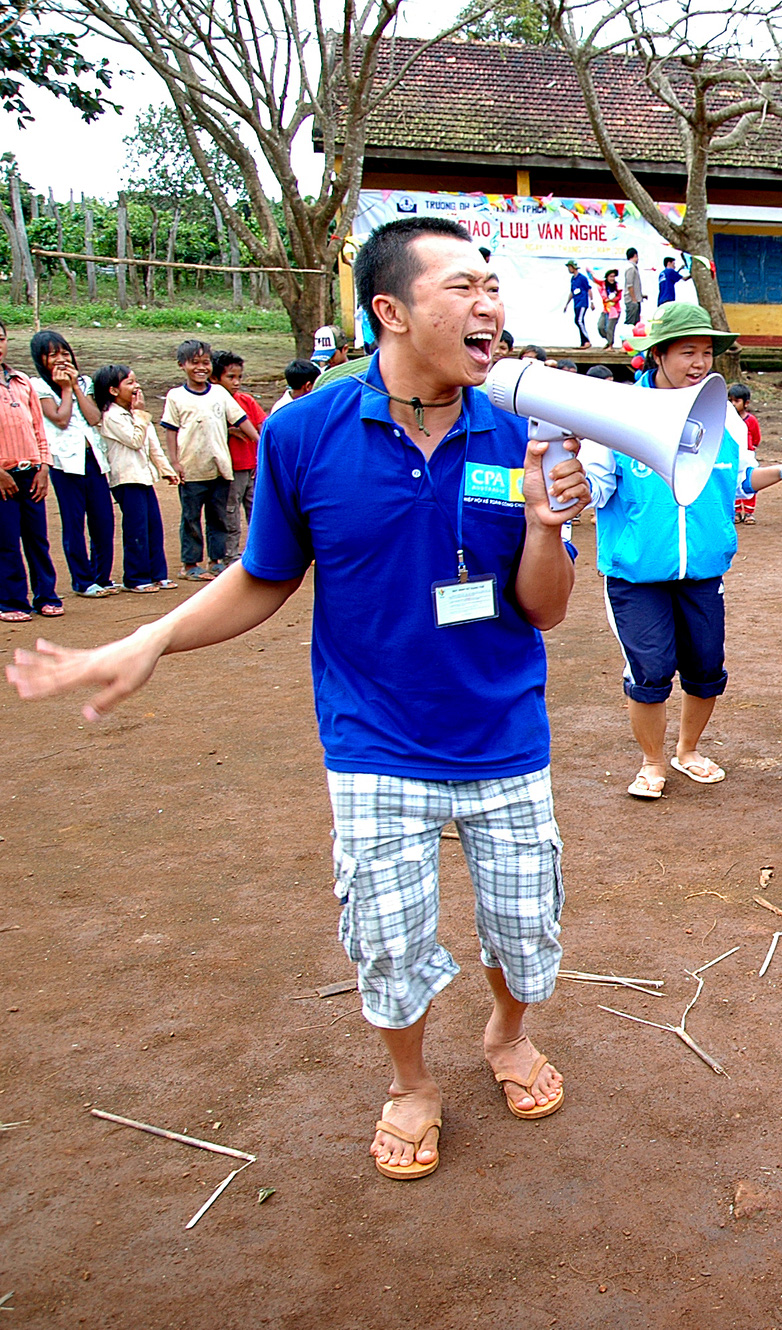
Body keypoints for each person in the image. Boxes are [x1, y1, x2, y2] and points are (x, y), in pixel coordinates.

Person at [9, 215, 598, 1181]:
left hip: (504, 737)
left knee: (526, 925)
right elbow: (265, 575)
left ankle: (505, 1035)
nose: (489, 302)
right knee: (387, 936)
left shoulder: (521, 426)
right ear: (391, 311)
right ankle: (410, 1082)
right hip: (372, 743)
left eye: (492, 284)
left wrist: (543, 524)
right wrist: (151, 637)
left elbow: (545, 612)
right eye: (462, 285)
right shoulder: (301, 431)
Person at [583, 301, 782, 801]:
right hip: (637, 574)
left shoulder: (721, 412)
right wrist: (568, 482)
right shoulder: (618, 413)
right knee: (651, 671)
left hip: (703, 570)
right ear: (657, 355)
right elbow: (595, 488)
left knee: (706, 669)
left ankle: (688, 751)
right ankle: (652, 762)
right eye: (688, 352)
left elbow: (742, 475)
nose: (700, 363)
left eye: (707, 352)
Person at [158, 339, 251, 582]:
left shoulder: (219, 393)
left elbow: (241, 419)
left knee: (218, 515)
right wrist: (175, 462)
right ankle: (190, 563)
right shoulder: (176, 396)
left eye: (206, 363)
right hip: (191, 469)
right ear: (182, 365)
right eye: (195, 363)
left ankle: (217, 560)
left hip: (219, 467)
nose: (201, 368)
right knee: (190, 517)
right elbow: (171, 430)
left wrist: (261, 441)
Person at [32, 331, 116, 598]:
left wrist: (77, 386)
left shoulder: (85, 381)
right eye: (53, 354)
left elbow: (93, 418)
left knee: (103, 519)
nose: (61, 359)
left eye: (64, 353)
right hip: (65, 463)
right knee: (74, 522)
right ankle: (82, 581)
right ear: (40, 359)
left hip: (93, 460)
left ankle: (102, 577)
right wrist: (66, 389)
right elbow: (60, 419)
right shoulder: (39, 386)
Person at [90, 365, 177, 593]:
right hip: (126, 479)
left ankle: (157, 573)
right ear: (113, 391)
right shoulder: (111, 416)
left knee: (153, 527)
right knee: (136, 529)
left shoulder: (134, 413)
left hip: (144, 477)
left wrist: (166, 469)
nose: (136, 387)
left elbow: (152, 444)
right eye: (129, 383)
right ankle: (136, 578)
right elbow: (135, 440)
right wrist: (139, 414)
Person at [0, 322, 62, 620]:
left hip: (31, 471)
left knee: (37, 538)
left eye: (1, 339)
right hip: (2, 477)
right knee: (6, 540)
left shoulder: (22, 381)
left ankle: (46, 595)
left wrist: (44, 466)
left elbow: (39, 429)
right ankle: (11, 601)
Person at [212, 350, 266, 563]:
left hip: (251, 465)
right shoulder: (214, 403)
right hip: (230, 469)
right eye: (230, 377)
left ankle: (259, 550)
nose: (236, 382)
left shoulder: (246, 401)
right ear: (215, 379)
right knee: (230, 513)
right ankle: (230, 554)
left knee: (256, 509)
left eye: (239, 377)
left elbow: (261, 425)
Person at [729, 382, 762, 524]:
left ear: (746, 403)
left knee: (748, 480)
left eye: (736, 401)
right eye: (730, 401)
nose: (732, 404)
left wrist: (751, 448)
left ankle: (749, 512)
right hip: (732, 455)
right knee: (733, 480)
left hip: (747, 455)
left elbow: (756, 437)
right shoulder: (727, 420)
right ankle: (736, 510)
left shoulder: (751, 420)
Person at [563, 259, 594, 348]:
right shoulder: (573, 279)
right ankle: (583, 342)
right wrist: (567, 304)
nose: (569, 269)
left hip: (582, 302)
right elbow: (572, 292)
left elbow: (589, 289)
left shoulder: (582, 278)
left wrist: (592, 302)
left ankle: (587, 341)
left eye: (569, 267)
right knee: (578, 321)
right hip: (576, 303)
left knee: (579, 320)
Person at [597, 270, 622, 346]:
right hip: (606, 310)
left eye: (614, 276)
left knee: (610, 328)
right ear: (607, 277)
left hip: (615, 310)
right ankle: (609, 340)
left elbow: (619, 296)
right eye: (611, 276)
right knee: (600, 327)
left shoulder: (617, 285)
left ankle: (610, 344)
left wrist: (612, 300)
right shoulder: (603, 285)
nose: (612, 278)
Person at [622, 247, 645, 329]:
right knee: (630, 324)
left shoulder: (633, 267)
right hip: (632, 300)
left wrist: (641, 295)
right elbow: (630, 285)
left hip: (636, 299)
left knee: (636, 324)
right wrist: (634, 299)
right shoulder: (630, 268)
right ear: (635, 255)